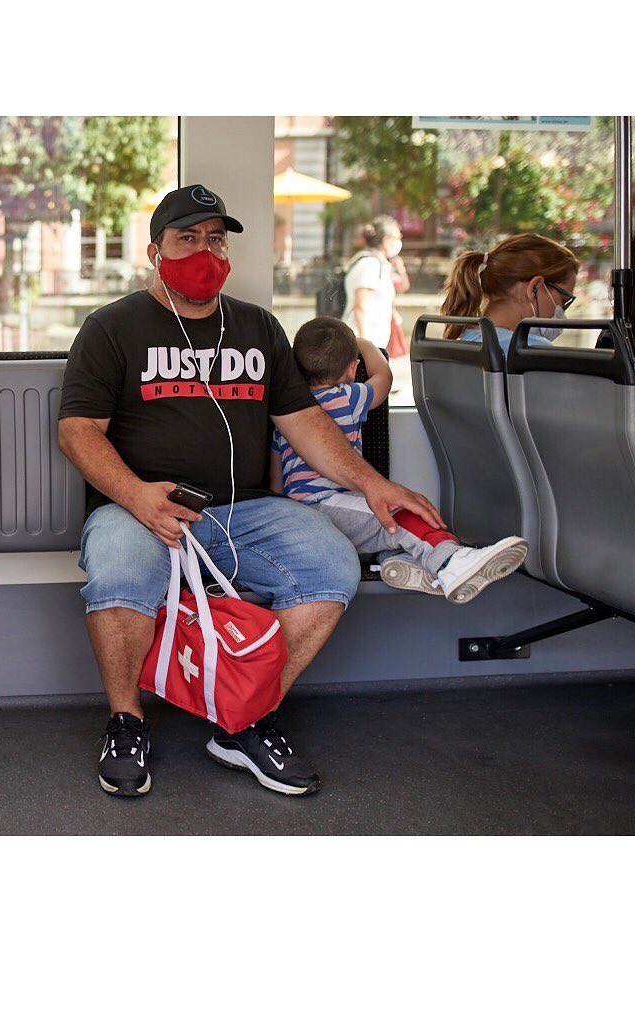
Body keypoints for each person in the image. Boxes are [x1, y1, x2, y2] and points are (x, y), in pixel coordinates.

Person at [58, 184, 442, 799]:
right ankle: (126, 722)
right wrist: (135, 496)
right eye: (188, 239)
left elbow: (306, 424)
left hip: (244, 511)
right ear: (156, 251)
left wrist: (374, 484)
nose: (205, 251)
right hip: (139, 507)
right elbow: (78, 432)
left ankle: (242, 719)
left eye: (216, 239)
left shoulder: (258, 328)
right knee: (119, 572)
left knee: (330, 566)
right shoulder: (112, 328)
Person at [275, 317, 528, 600]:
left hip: (302, 508)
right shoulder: (348, 397)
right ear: (352, 368)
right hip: (324, 506)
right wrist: (366, 346)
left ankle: (394, 562)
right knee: (401, 513)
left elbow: (276, 479)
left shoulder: (287, 414)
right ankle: (451, 561)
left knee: (381, 523)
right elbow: (384, 378)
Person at [440, 233, 578, 353]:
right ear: (535, 287)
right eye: (563, 301)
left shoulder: (459, 345)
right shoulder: (535, 352)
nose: (561, 314)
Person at [343, 216, 402, 347]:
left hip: (373, 343)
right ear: (386, 241)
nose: (399, 243)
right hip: (362, 343)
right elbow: (361, 305)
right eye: (397, 238)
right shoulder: (370, 264)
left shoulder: (378, 264)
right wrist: (366, 345)